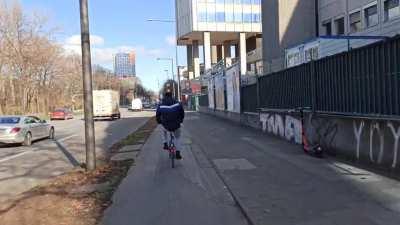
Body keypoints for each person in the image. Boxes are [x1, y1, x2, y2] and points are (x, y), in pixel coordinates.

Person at [156, 91, 185, 159]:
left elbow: (157, 115)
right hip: (176, 125)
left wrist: (159, 122)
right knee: (178, 138)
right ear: (172, 96)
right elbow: (182, 113)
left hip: (166, 125)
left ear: (164, 96)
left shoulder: (161, 104)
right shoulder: (177, 103)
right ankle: (178, 153)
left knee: (163, 131)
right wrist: (180, 121)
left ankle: (165, 143)